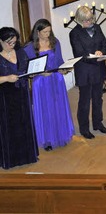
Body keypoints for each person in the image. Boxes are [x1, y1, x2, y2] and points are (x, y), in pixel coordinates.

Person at [24, 19, 74, 150]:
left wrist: (64, 69)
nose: (48, 34)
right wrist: (40, 74)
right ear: (37, 32)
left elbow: (59, 61)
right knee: (46, 109)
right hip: (41, 83)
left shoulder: (55, 42)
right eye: (45, 32)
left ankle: (61, 135)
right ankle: (47, 140)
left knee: (58, 107)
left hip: (56, 80)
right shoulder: (29, 48)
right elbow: (28, 70)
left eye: (49, 31)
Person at [70, 6, 106, 139]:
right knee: (85, 101)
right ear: (80, 20)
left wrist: (102, 52)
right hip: (85, 70)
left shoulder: (97, 28)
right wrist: (96, 56)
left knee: (98, 98)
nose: (90, 22)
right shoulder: (74, 33)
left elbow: (104, 45)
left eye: (91, 19)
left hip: (98, 69)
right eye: (86, 21)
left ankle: (98, 123)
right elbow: (79, 53)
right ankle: (84, 128)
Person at [0, 27, 39, 169]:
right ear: (1, 41)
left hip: (22, 93)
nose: (12, 45)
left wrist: (32, 73)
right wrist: (6, 78)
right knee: (10, 127)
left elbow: (27, 68)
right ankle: (12, 159)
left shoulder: (20, 52)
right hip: (5, 97)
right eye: (9, 43)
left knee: (24, 123)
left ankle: (27, 156)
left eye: (14, 42)